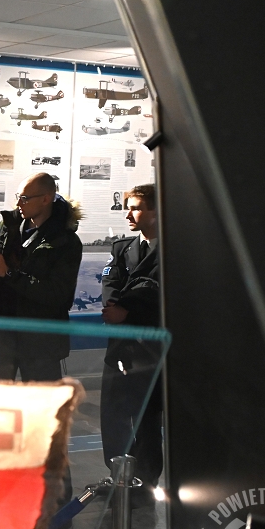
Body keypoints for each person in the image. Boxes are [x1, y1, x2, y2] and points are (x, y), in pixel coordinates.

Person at [0, 172, 82, 511]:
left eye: (25, 198)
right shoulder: (9, 226)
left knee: (47, 421)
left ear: (46, 198)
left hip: (39, 344)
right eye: (18, 197)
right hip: (0, 337)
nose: (19, 204)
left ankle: (57, 501)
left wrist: (8, 272)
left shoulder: (66, 241)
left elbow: (57, 296)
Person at [100, 184, 162, 500]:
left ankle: (145, 486)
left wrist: (128, 311)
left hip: (149, 348)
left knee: (146, 420)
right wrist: (116, 309)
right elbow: (110, 283)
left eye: (136, 208)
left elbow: (164, 295)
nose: (128, 214)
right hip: (119, 346)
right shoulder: (123, 249)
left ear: (157, 210)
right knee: (112, 416)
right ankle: (118, 479)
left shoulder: (175, 250)